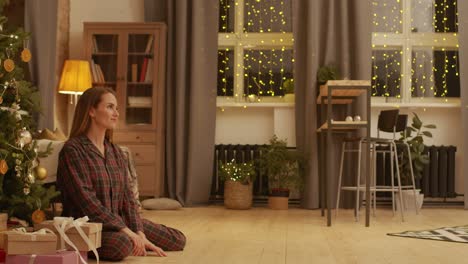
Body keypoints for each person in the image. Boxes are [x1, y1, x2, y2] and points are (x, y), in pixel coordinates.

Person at [57, 87, 186, 261]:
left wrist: (139, 232)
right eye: (110, 107)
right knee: (122, 244)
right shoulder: (73, 150)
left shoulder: (115, 152)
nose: (116, 113)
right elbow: (87, 202)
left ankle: (137, 238)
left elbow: (128, 197)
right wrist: (128, 232)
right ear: (91, 111)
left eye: (116, 108)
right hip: (87, 226)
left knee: (177, 239)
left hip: (119, 223)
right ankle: (129, 239)